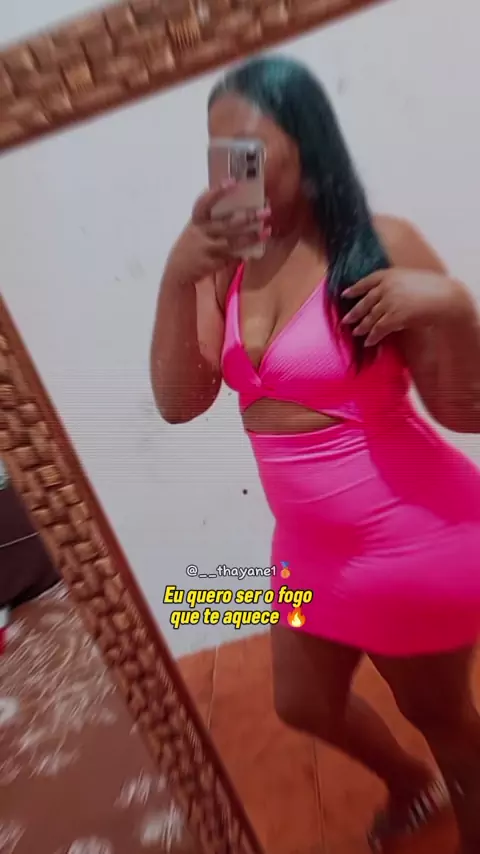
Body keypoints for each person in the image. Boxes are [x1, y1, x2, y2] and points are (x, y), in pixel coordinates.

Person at [150, 55, 480, 854]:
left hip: (409, 538)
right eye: (220, 151)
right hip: (307, 547)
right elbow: (181, 401)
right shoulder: (223, 263)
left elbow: (462, 412)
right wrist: (176, 277)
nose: (233, 172)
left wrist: (454, 307)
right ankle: (410, 784)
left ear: (309, 145)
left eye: (251, 150)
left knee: (439, 715)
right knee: (302, 702)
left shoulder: (378, 243)